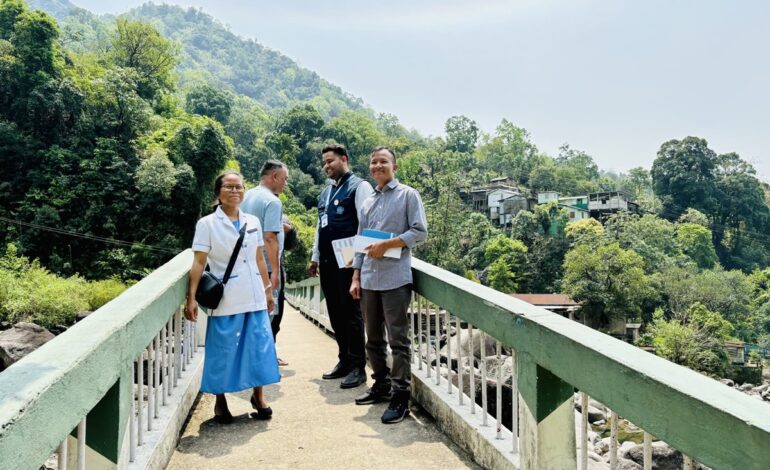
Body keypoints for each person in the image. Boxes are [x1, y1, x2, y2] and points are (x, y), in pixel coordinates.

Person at [185, 171, 279, 424]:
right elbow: (199, 262)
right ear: (218, 193)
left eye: (239, 187)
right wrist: (191, 298)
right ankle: (220, 401)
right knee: (223, 349)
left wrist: (268, 289)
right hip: (226, 298)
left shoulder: (253, 221)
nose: (235, 191)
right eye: (229, 187)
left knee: (258, 346)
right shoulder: (207, 224)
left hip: (254, 294)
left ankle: (258, 397)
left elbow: (260, 258)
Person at [350, 146, 427, 424]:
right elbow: (359, 242)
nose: (377, 166)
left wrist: (388, 244)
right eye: (373, 162)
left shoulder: (408, 195)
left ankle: (400, 396)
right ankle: (380, 384)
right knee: (373, 339)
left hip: (395, 278)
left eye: (383, 161)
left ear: (394, 165)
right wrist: (356, 276)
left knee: (398, 340)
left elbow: (420, 231)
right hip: (369, 278)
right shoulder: (368, 200)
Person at [309, 144, 373, 388]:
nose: (326, 166)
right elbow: (320, 225)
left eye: (330, 161)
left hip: (348, 258)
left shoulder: (360, 186)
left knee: (351, 313)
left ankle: (358, 366)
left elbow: (365, 225)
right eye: (324, 163)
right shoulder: (325, 193)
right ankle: (344, 359)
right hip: (327, 259)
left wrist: (359, 263)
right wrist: (315, 256)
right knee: (335, 311)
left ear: (344, 159)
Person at [242, 160, 289, 365]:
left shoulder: (246, 196)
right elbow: (270, 238)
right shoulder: (272, 201)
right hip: (266, 266)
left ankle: (252, 356)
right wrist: (275, 272)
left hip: (246, 263)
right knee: (269, 312)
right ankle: (261, 360)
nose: (285, 183)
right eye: (285, 179)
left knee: (250, 312)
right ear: (275, 176)